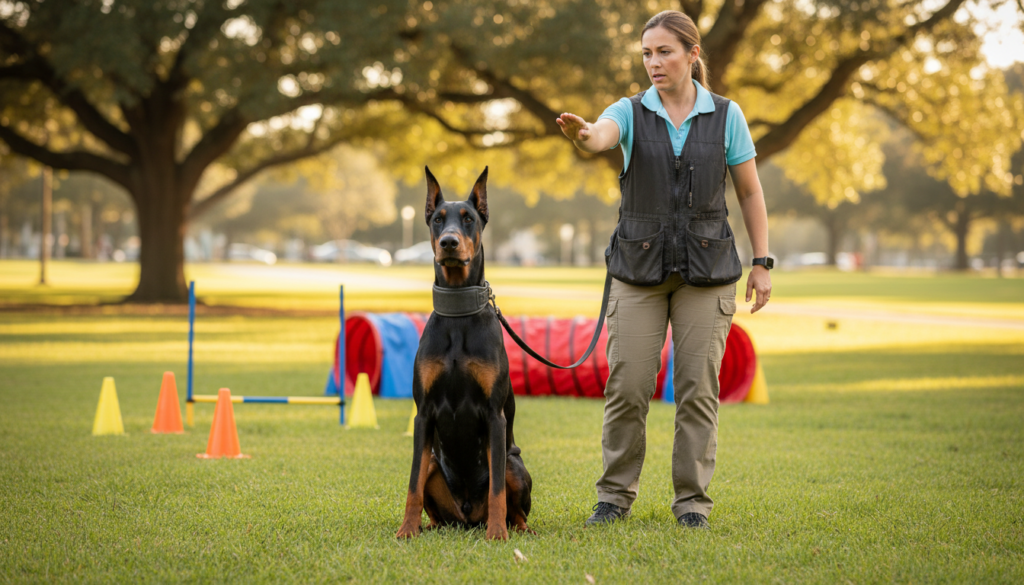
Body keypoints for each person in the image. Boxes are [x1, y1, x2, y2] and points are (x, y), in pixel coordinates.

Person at [556, 10, 772, 529]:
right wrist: (584, 135)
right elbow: (602, 135)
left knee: (698, 388)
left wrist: (762, 263)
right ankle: (613, 496)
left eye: (665, 52)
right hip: (637, 272)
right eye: (647, 54)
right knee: (628, 385)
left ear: (692, 55)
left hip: (708, 271)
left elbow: (749, 191)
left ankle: (692, 503)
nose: (654, 62)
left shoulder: (727, 115)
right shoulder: (629, 111)